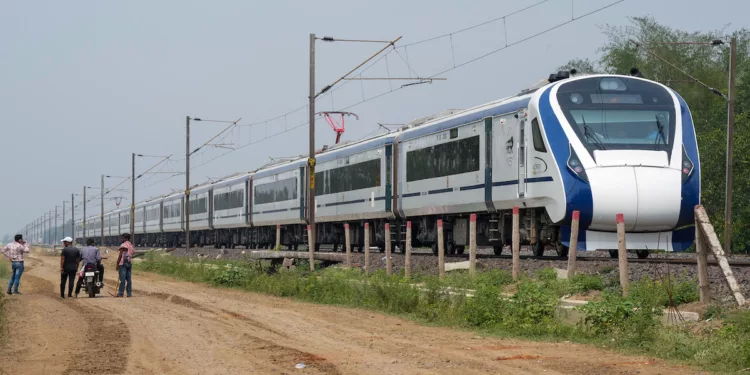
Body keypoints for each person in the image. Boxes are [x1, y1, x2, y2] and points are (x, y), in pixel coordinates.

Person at [115, 233, 134, 298]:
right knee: (129, 279)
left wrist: (117, 264)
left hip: (123, 264)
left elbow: (120, 255)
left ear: (126, 238)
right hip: (129, 263)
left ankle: (120, 293)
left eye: (122, 238)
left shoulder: (123, 245)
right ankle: (129, 293)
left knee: (122, 279)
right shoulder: (131, 245)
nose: (121, 239)